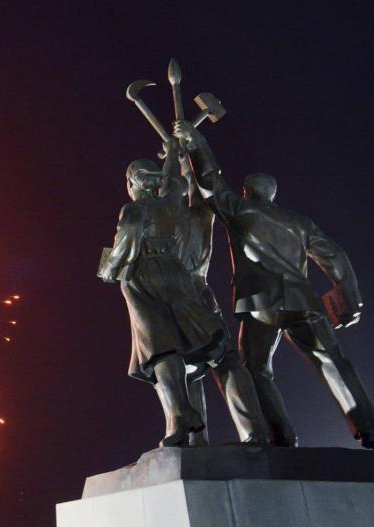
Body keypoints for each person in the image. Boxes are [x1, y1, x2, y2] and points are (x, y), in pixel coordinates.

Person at [175, 119, 374, 451]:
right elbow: (335, 256)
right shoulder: (300, 223)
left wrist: (195, 141)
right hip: (303, 302)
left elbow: (211, 184)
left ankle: (281, 436)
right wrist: (349, 296)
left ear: (247, 192)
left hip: (262, 304)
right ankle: (372, 432)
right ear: (273, 195)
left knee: (255, 369)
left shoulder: (241, 210)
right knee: (333, 361)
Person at [99, 140, 270, 446]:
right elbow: (178, 183)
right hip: (181, 280)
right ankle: (248, 429)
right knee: (216, 352)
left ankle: (181, 418)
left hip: (144, 278)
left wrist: (108, 268)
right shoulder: (174, 206)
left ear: (130, 183)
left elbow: (125, 241)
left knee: (160, 348)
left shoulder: (134, 209)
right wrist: (177, 157)